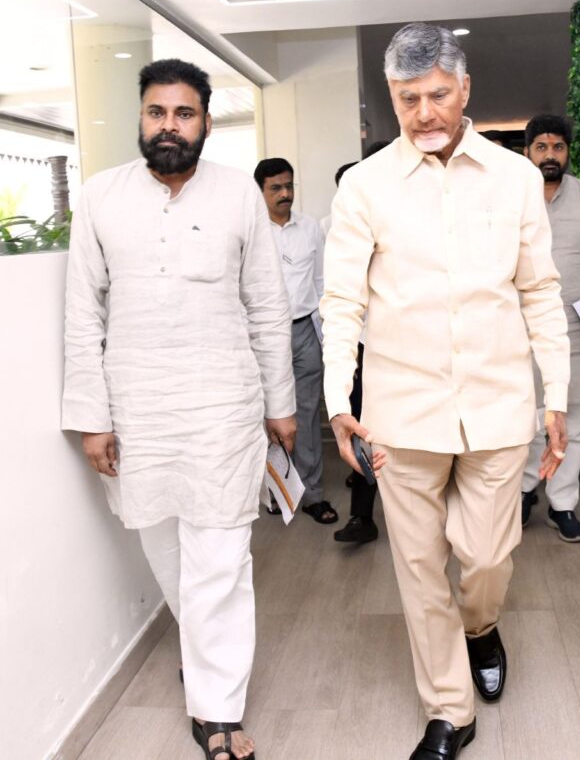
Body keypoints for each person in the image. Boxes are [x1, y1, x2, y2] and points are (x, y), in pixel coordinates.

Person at [320, 23, 570, 760]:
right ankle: (448, 710)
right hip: (400, 414)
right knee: (419, 564)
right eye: (407, 99)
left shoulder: (516, 177)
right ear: (392, 99)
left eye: (436, 95)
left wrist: (554, 394)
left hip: (497, 406)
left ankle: (481, 627)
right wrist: (341, 401)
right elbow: (342, 303)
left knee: (487, 559)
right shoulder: (363, 187)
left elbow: (540, 293)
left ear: (464, 90)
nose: (424, 112)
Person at [62, 58, 295, 760]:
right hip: (136, 408)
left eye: (184, 113)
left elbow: (268, 306)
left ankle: (217, 711)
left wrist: (280, 405)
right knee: (166, 549)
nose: (170, 126)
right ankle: (206, 654)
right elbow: (82, 315)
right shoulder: (101, 197)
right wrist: (92, 416)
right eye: (157, 113)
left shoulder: (237, 196)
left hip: (224, 403)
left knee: (221, 556)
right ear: (141, 118)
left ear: (205, 121)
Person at [519, 113, 580, 542]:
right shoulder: (514, 198)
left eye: (557, 147)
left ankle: (563, 505)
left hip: (578, 333)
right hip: (523, 334)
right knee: (528, 420)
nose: (550, 155)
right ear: (527, 152)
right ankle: (522, 492)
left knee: (571, 426)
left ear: (567, 151)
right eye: (541, 147)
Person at [255, 157, 338, 525]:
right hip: (263, 335)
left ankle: (312, 495)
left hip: (305, 331)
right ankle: (274, 493)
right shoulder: (251, 230)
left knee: (306, 415)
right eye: (276, 188)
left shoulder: (310, 228)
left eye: (289, 186)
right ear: (261, 191)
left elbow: (320, 282)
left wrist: (325, 335)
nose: (285, 194)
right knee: (266, 417)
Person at [326, 160, 379, 543]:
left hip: (415, 353)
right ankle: (362, 518)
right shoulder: (336, 232)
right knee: (365, 429)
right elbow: (337, 299)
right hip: (361, 347)